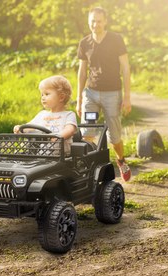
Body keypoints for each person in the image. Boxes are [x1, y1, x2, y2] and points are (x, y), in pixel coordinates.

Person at [76, 6, 132, 182]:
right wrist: (79, 99)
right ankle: (91, 169)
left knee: (114, 135)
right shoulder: (84, 43)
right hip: (91, 94)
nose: (95, 24)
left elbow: (125, 68)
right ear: (88, 21)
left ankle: (121, 161)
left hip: (112, 94)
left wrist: (127, 97)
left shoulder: (116, 40)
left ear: (105, 21)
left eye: (99, 21)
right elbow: (82, 72)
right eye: (92, 21)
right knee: (88, 132)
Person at [14, 75, 77, 155]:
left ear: (61, 97)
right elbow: (30, 127)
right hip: (40, 154)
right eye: (42, 95)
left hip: (61, 156)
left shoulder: (69, 115)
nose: (43, 97)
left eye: (47, 94)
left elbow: (70, 130)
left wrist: (58, 136)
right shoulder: (42, 115)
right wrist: (20, 128)